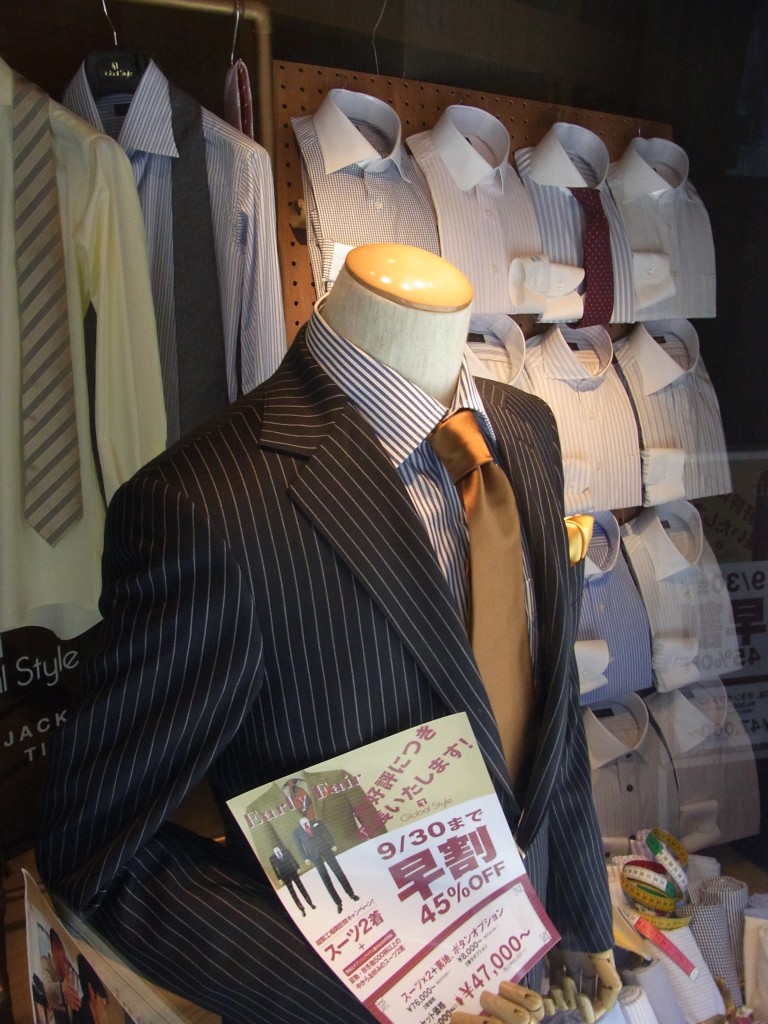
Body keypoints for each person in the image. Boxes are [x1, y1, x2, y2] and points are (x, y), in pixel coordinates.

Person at [37, 244, 618, 1024]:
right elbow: (96, 849)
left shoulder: (524, 430)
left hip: (528, 966)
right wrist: (387, 1001)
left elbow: (547, 705)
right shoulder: (207, 511)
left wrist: (580, 917)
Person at [292, 817, 359, 913]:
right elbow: (299, 846)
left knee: (338, 871)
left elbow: (326, 833)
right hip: (313, 855)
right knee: (325, 878)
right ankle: (338, 903)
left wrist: (332, 844)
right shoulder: (297, 832)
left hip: (326, 849)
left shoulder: (316, 822)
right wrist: (305, 858)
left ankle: (351, 894)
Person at [40, 928, 81, 1023]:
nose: (67, 959)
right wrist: (62, 991)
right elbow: (43, 989)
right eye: (64, 949)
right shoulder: (44, 963)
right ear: (55, 947)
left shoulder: (72, 973)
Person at [268, 844, 316, 916]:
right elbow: (274, 869)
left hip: (292, 871)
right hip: (284, 875)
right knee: (292, 892)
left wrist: (297, 867)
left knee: (301, 887)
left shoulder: (286, 851)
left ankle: (310, 903)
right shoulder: (272, 858)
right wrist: (279, 878)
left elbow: (293, 859)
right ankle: (301, 909)